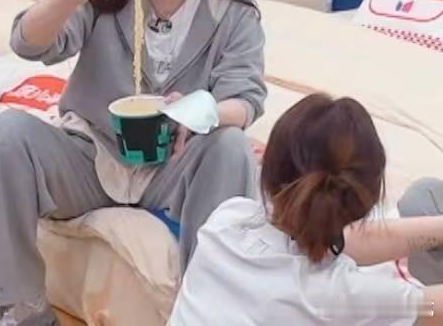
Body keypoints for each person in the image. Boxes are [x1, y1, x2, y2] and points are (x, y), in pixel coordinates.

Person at [0, 0, 267, 326]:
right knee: (7, 134)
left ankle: (209, 313)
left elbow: (245, 99)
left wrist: (198, 110)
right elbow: (27, 44)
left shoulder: (232, 9)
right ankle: (17, 308)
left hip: (173, 164)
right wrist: (63, 1)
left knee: (230, 146)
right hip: (93, 157)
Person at [169, 93, 443, 325]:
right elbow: (430, 309)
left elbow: (339, 244)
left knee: (423, 196)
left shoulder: (228, 219)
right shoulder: (341, 297)